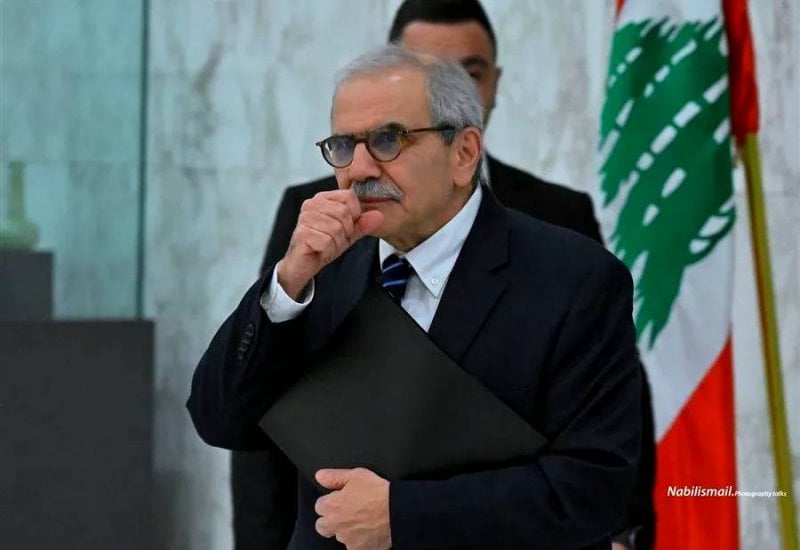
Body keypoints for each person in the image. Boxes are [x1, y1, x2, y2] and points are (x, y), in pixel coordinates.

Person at [238, 2, 657, 549]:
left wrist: (403, 514)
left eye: (390, 138)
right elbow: (252, 423)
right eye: (422, 67)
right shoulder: (322, 232)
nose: (362, 167)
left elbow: (600, 453)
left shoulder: (566, 244)